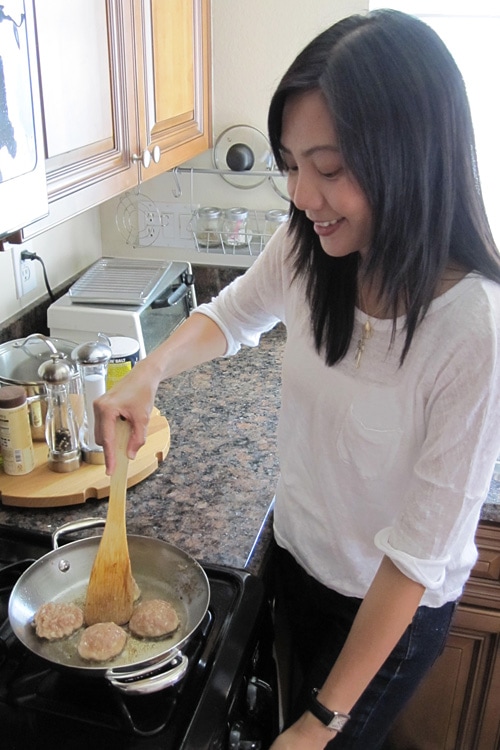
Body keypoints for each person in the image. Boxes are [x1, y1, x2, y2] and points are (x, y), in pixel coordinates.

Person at [93, 9, 500, 749]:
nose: (301, 193)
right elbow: (233, 315)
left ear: (411, 157)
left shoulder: (474, 328)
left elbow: (416, 558)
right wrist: (145, 374)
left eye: (330, 167)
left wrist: (323, 720)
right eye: (290, 162)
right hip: (298, 556)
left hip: (386, 617)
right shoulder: (313, 244)